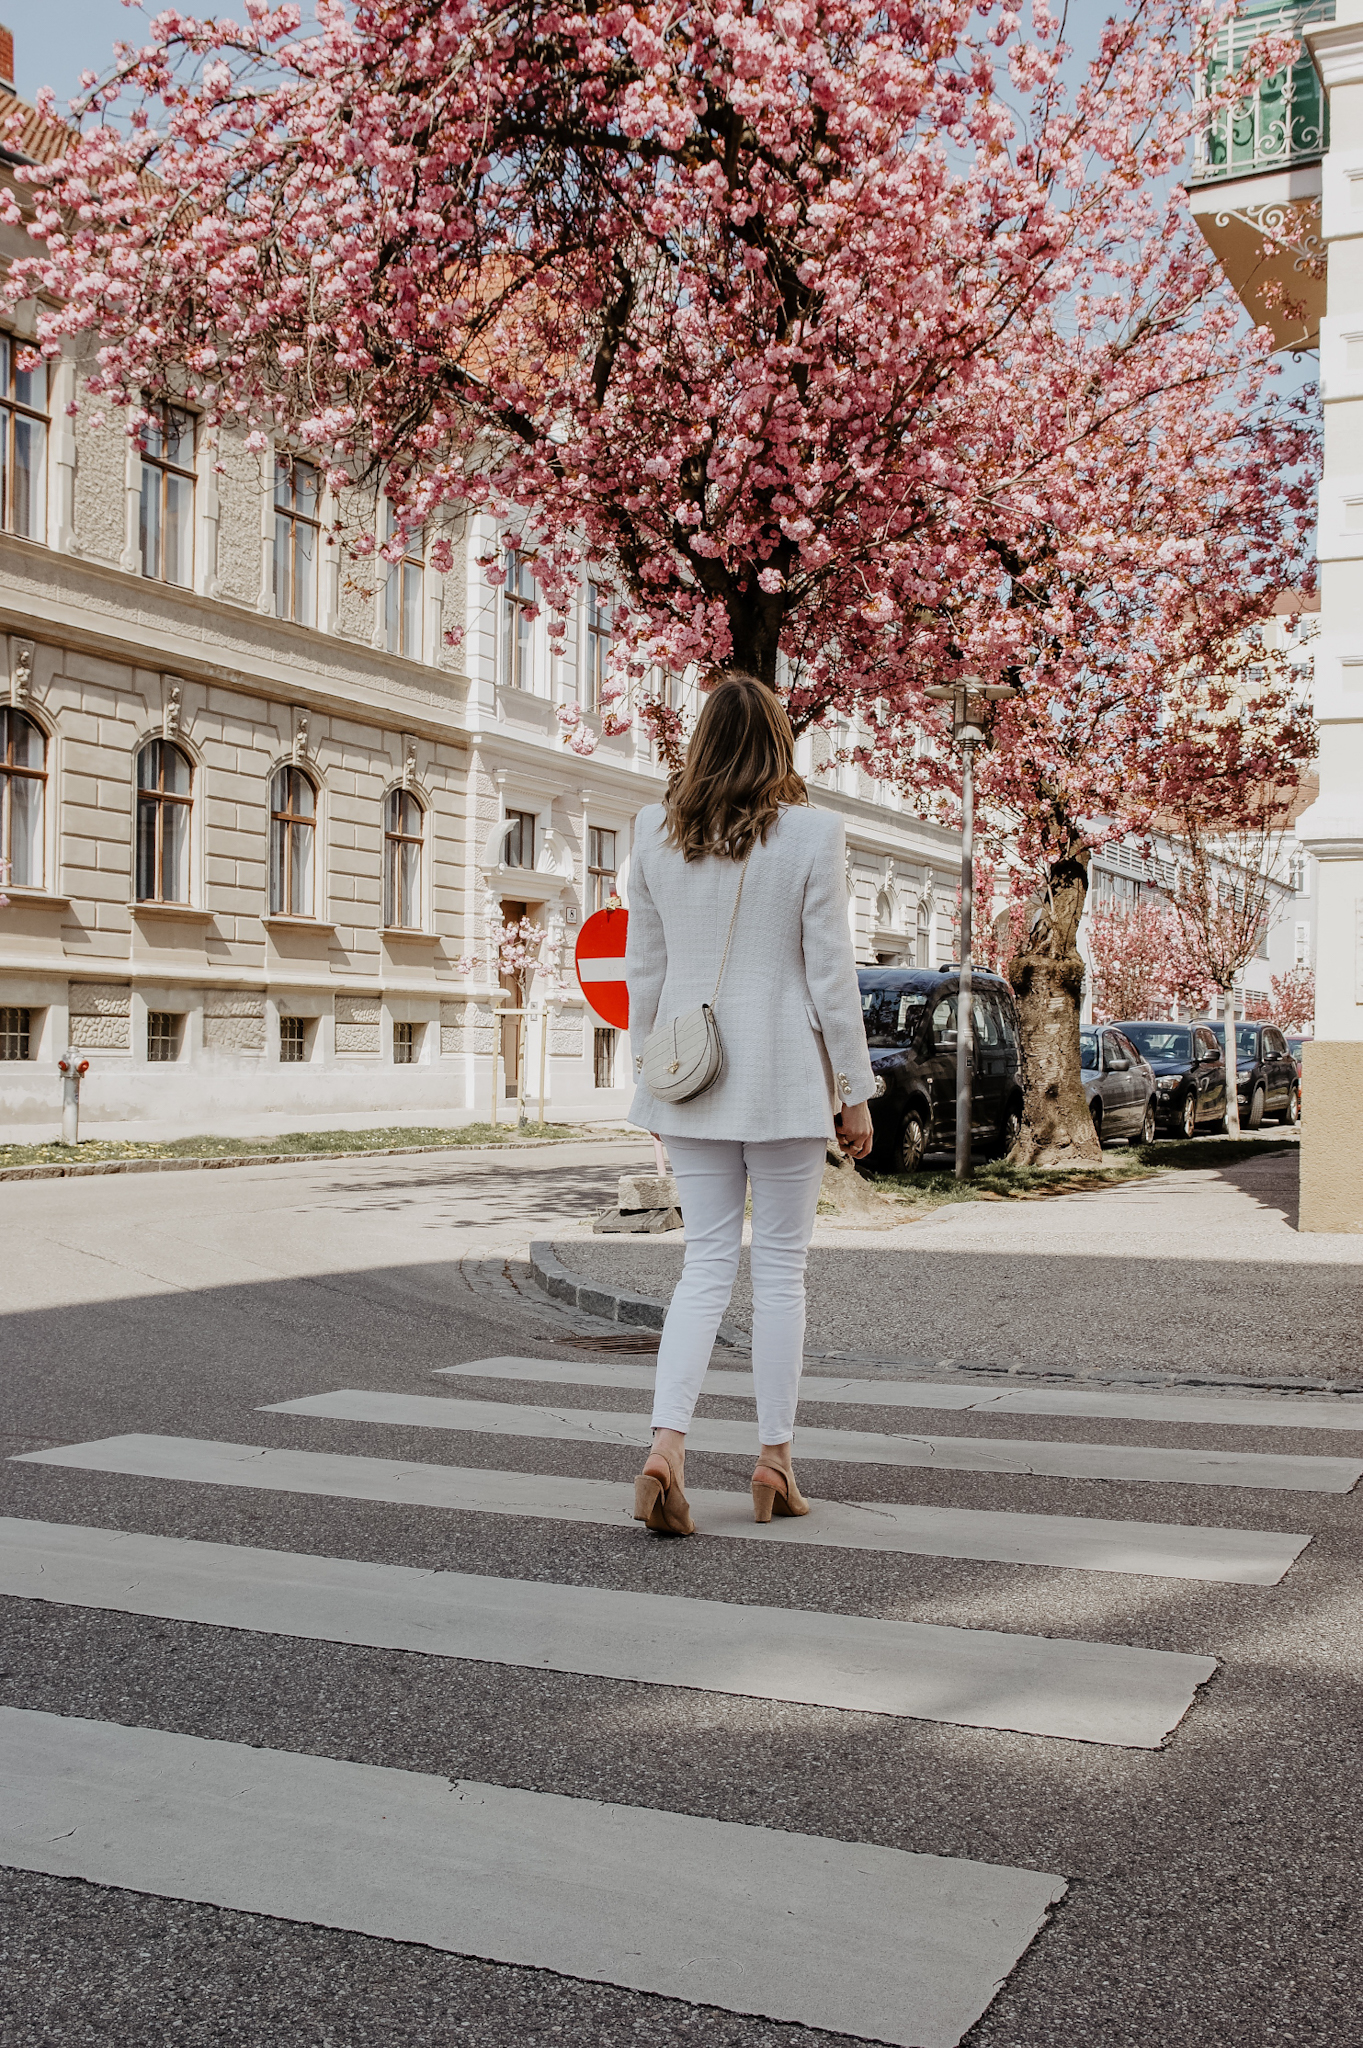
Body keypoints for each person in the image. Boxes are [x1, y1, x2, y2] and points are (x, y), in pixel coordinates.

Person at [624, 672, 876, 1536]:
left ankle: (666, 1446)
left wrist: (647, 1083)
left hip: (689, 1077)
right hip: (781, 1077)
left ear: (699, 741)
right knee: (778, 1273)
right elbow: (830, 978)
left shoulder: (652, 834)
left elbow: (644, 976)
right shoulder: (813, 834)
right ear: (778, 743)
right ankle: (773, 1460)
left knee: (702, 1267)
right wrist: (855, 1093)